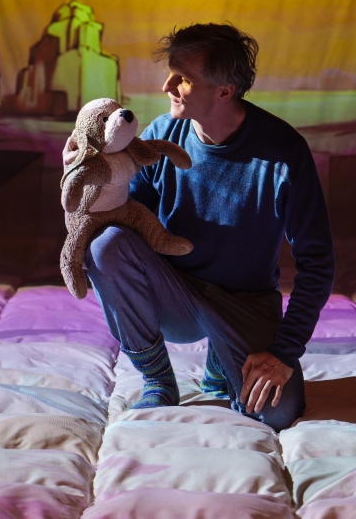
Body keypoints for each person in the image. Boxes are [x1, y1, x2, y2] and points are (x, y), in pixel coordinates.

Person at [84, 23, 335, 431]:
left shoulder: (285, 152)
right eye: (171, 73)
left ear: (224, 91)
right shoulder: (162, 135)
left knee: (277, 413)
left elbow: (318, 263)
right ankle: (158, 380)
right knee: (105, 245)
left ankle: (222, 359)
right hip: (175, 294)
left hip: (245, 303)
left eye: (182, 78)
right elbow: (123, 218)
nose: (167, 86)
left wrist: (284, 353)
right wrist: (90, 179)